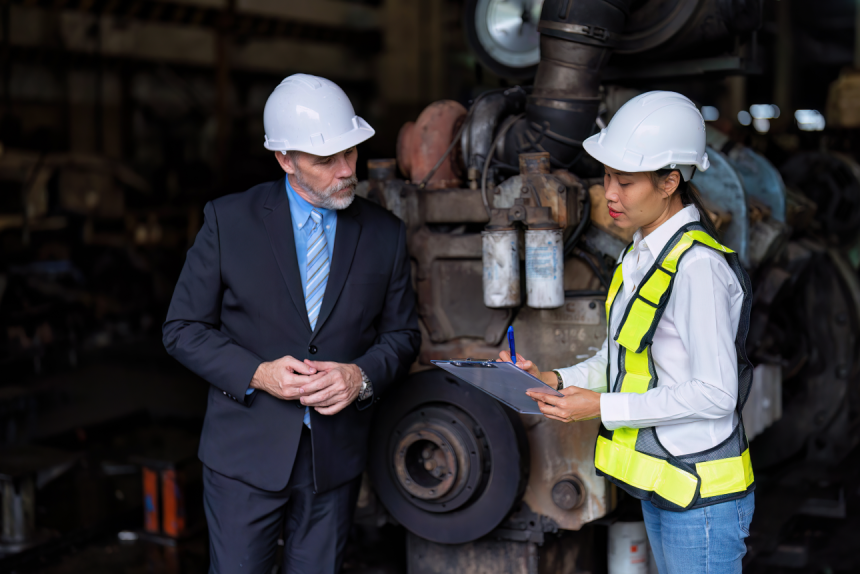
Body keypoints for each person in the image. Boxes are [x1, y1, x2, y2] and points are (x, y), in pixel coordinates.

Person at [163, 73, 420, 574]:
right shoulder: (228, 222)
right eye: (326, 161)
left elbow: (402, 336)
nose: (347, 171)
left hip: (334, 461)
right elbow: (182, 329)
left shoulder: (384, 234)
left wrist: (360, 376)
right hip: (244, 458)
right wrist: (258, 373)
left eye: (351, 152)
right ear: (285, 159)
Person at [501, 91, 754, 574]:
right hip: (667, 487)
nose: (609, 193)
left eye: (626, 181)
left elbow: (717, 393)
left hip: (702, 500)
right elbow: (620, 357)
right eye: (607, 176)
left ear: (670, 182)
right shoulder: (638, 256)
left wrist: (600, 407)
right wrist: (553, 379)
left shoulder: (697, 267)